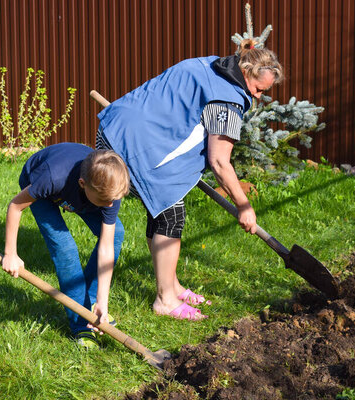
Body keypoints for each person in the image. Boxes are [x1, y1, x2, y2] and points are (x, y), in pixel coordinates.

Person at [96, 38, 284, 321]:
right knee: (171, 216)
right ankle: (165, 300)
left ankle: (171, 284)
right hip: (136, 152)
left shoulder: (207, 64)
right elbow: (219, 161)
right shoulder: (228, 102)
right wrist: (244, 205)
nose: (258, 97)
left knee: (162, 207)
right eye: (259, 90)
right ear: (247, 74)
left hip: (115, 128)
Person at [1, 143, 129, 348]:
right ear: (82, 184)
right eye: (106, 201)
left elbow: (106, 247)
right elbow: (15, 206)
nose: (111, 206)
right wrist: (10, 253)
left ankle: (89, 305)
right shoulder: (51, 178)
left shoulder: (110, 193)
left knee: (115, 235)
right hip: (39, 184)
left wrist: (102, 300)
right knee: (65, 249)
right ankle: (81, 324)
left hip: (81, 193)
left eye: (114, 200)